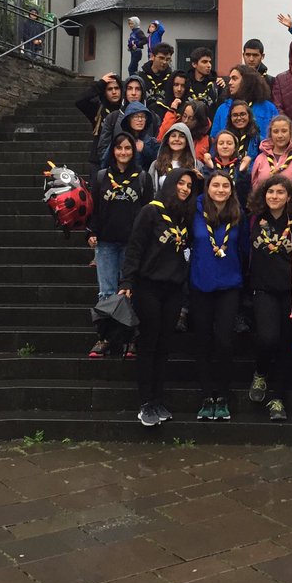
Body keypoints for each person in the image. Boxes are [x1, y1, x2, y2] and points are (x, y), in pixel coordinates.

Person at [120, 168, 195, 427]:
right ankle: (145, 402)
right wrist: (127, 280)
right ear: (170, 185)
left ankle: (159, 399)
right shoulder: (150, 211)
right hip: (148, 286)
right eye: (180, 183)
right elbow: (135, 247)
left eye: (188, 185)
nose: (184, 188)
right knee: (149, 344)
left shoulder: (185, 217)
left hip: (173, 289)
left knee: (164, 346)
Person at [87, 134, 154, 358]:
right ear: (112, 151)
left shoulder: (143, 178)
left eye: (127, 148)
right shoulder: (101, 176)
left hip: (132, 244)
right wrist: (91, 232)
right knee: (106, 292)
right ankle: (105, 337)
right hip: (106, 241)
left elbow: (148, 212)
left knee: (129, 291)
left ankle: (131, 338)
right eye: (119, 148)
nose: (123, 152)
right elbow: (93, 208)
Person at [246, 175, 292, 422]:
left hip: (290, 294)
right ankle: (260, 372)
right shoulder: (253, 221)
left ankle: (278, 398)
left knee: (285, 345)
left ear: (289, 196)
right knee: (267, 338)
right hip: (263, 290)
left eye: (280, 192)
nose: (275, 197)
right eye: (270, 192)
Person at [189, 170, 248, 422]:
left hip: (229, 286)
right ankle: (206, 396)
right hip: (200, 284)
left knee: (224, 342)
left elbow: (244, 249)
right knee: (202, 341)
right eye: (216, 185)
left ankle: (222, 396)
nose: (221, 190)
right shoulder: (194, 212)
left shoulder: (238, 214)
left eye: (225, 185)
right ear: (207, 188)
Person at [211, 66, 278, 155]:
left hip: (261, 161)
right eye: (230, 79)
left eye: (234, 79)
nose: (230, 83)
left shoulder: (268, 108)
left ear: (247, 81)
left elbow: (276, 139)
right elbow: (214, 140)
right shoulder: (223, 108)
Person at [76, 73, 123, 181]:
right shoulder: (97, 109)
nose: (114, 92)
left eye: (117, 88)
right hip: (98, 160)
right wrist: (100, 84)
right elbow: (79, 101)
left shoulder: (126, 109)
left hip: (122, 158)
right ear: (104, 92)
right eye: (109, 89)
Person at [251, 115, 292, 185]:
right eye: (275, 131)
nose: (280, 135)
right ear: (270, 134)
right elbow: (255, 186)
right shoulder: (260, 159)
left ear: (290, 133)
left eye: (284, 131)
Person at [201, 129, 253, 204]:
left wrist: (243, 172)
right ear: (216, 147)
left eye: (229, 143)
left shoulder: (240, 166)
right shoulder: (209, 166)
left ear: (235, 147)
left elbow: (244, 195)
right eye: (221, 143)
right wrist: (209, 168)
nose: (225, 146)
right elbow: (204, 191)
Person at [106, 100, 159, 172]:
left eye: (143, 116)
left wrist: (145, 149)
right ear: (128, 119)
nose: (140, 120)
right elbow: (105, 162)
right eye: (136, 116)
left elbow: (160, 163)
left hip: (144, 180)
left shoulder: (152, 141)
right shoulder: (119, 140)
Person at [148, 123, 199, 192]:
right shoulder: (156, 164)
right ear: (167, 140)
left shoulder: (196, 165)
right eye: (173, 136)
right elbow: (150, 191)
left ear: (187, 141)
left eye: (181, 136)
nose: (177, 139)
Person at [140, 43, 175, 118]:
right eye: (161, 58)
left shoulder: (172, 78)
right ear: (152, 56)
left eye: (168, 59)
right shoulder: (140, 77)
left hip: (165, 119)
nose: (164, 62)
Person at [220, 100, 260, 164]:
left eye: (242, 114)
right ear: (230, 118)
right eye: (235, 115)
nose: (239, 118)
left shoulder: (258, 140)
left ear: (249, 116)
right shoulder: (223, 139)